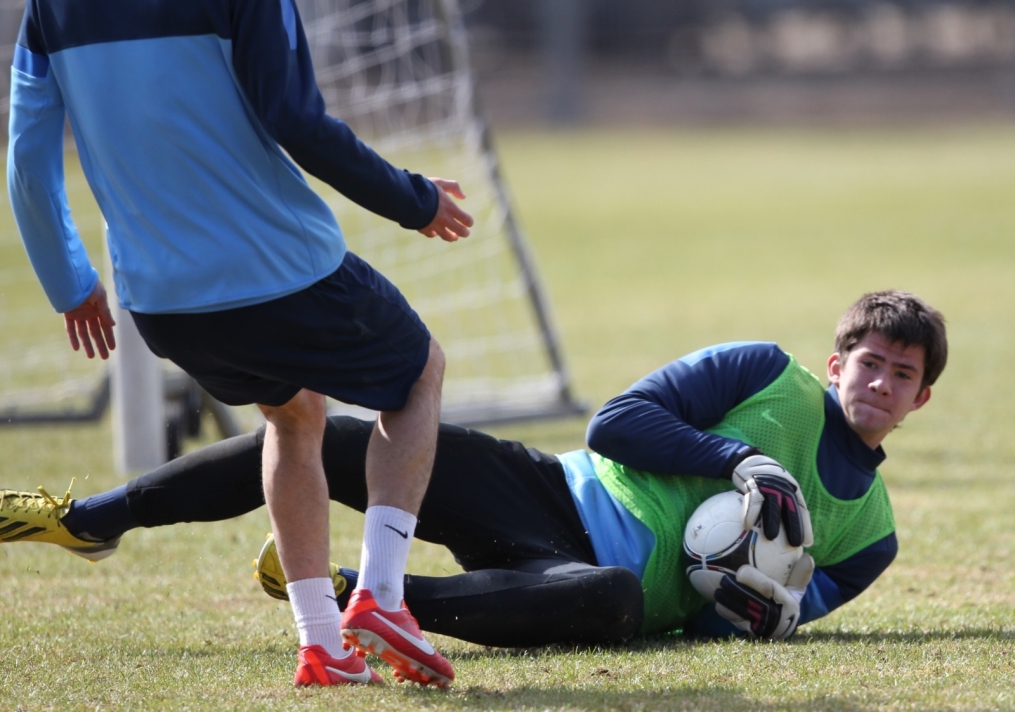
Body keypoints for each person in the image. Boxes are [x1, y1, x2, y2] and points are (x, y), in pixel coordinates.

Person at [1, 290, 946, 647]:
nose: (879, 383)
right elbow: (616, 425)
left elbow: (775, 618)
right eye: (868, 363)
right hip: (548, 489)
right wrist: (739, 458)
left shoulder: (871, 539)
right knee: (328, 440)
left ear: (920, 399)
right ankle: (91, 517)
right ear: (834, 365)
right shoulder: (763, 373)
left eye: (901, 375)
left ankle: (360, 594)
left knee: (610, 599)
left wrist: (748, 611)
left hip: (593, 582)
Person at [6, 0, 474, 689]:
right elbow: (296, 120)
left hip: (161, 302)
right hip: (279, 271)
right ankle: (381, 596)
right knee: (418, 372)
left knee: (294, 414)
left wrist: (69, 281)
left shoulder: (50, 7)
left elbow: (27, 153)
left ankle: (322, 644)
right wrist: (413, 199)